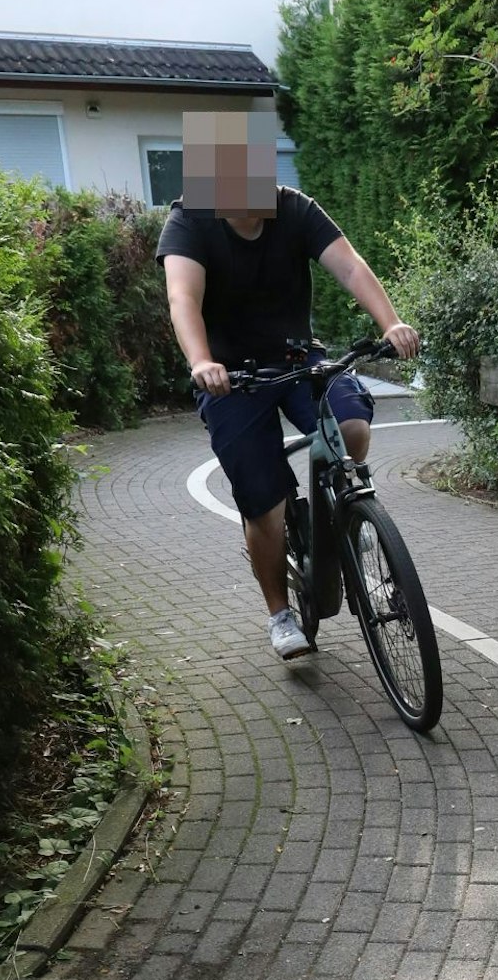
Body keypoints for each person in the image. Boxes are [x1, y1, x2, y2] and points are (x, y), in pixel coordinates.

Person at [157, 111, 419, 660]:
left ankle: (341, 510)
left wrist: (389, 322)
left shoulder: (294, 208)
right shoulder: (190, 222)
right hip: (232, 378)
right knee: (266, 505)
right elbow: (184, 298)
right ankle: (280, 613)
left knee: (350, 421)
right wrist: (202, 360)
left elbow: (349, 267)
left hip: (297, 359)